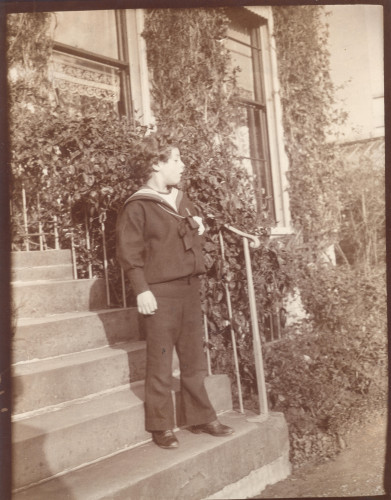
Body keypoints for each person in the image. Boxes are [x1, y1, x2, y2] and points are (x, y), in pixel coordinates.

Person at [116, 132, 234, 449]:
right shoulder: (138, 206)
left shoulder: (181, 200)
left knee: (194, 359)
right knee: (161, 360)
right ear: (156, 163)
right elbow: (129, 254)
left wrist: (199, 226)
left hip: (189, 290)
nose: (182, 165)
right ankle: (161, 424)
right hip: (160, 293)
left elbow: (191, 231)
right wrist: (141, 289)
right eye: (176, 160)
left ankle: (201, 417)